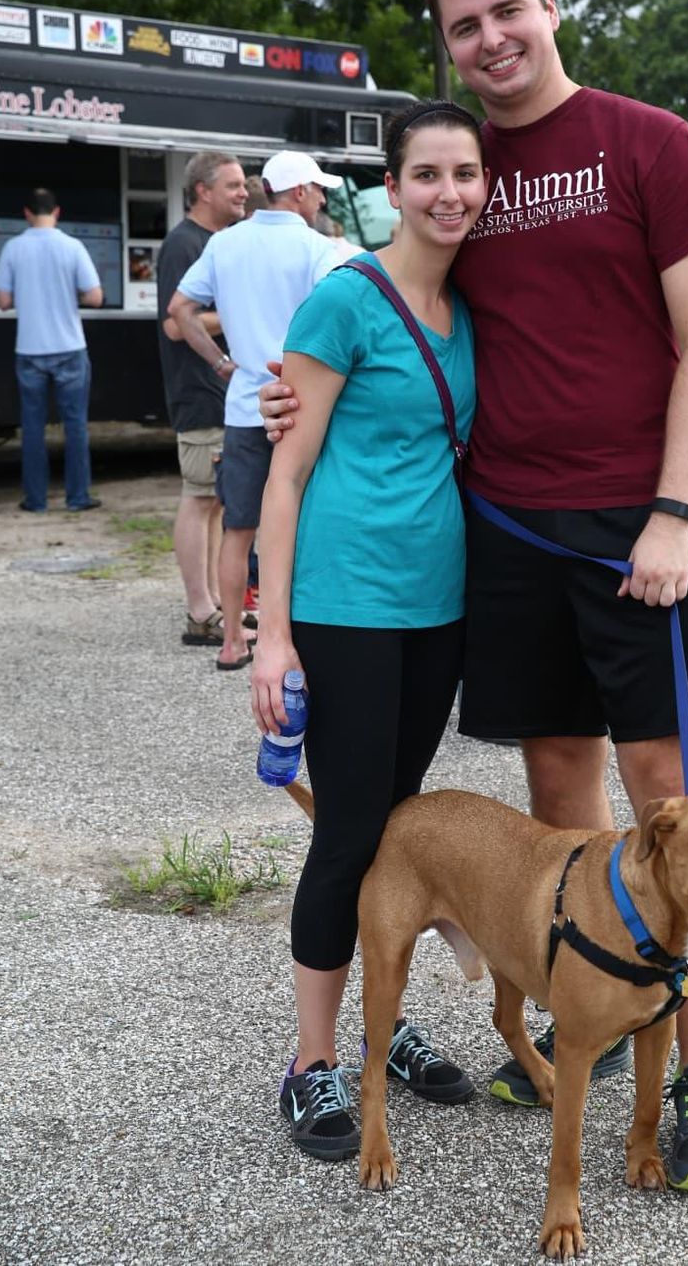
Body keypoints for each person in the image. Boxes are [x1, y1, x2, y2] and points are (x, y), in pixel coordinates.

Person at [263, 0, 688, 1195]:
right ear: (446, 47)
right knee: (557, 794)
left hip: (637, 528)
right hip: (513, 540)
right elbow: (394, 300)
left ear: (548, 8)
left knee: (675, 799)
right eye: (463, 25)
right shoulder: (464, 172)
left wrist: (673, 510)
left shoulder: (646, 141)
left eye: (506, 12)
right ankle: (568, 1005)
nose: (489, 38)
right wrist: (296, 391)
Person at [251, 101, 484, 1159]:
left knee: (395, 831)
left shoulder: (471, 305)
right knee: (348, 831)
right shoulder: (345, 299)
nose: (447, 192)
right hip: (343, 604)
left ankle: (380, 1028)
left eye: (465, 173)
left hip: (436, 607)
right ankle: (309, 1063)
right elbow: (284, 470)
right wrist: (270, 635)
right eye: (426, 174)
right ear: (389, 188)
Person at [169, 152, 341, 669]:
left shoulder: (223, 243)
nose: (324, 199)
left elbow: (180, 311)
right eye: (319, 189)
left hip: (245, 407)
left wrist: (223, 361)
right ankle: (298, 634)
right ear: (300, 192)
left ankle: (232, 645)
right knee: (307, 523)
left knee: (238, 529)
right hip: (301, 409)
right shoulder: (318, 248)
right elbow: (344, 313)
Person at [156, 152, 248, 646]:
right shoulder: (183, 244)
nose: (242, 192)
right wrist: (237, 304)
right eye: (232, 185)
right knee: (198, 499)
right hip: (198, 393)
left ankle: (215, 603)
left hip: (221, 394)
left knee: (215, 500)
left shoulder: (215, 242)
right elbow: (175, 324)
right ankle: (198, 612)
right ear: (202, 191)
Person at [0, 188, 103, 512]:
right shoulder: (72, 246)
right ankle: (78, 497)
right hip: (70, 347)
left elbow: (2, 301)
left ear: (27, 213)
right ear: (56, 212)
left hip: (29, 349)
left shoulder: (13, 248)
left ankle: (36, 499)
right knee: (75, 425)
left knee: (32, 428)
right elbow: (95, 296)